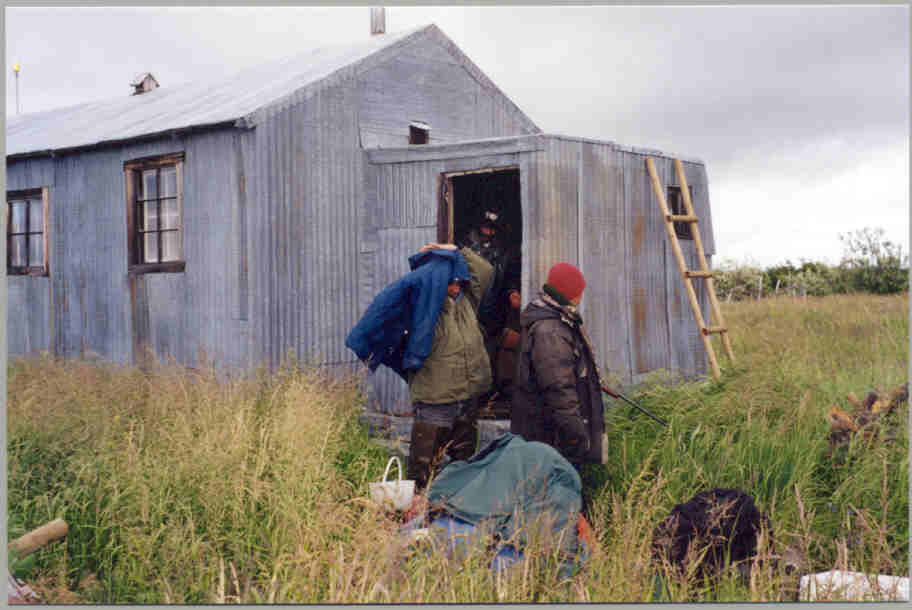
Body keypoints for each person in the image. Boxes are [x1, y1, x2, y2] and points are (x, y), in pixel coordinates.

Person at [406, 242, 494, 488]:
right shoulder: (424, 307)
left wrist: (454, 250)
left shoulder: (467, 302)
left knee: (462, 469)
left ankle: (452, 516)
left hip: (465, 399)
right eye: (449, 281)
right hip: (435, 402)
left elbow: (485, 271)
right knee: (422, 471)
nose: (455, 287)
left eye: (458, 281)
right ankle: (415, 518)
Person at [511, 262, 605, 474]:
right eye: (578, 293)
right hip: (550, 432)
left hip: (549, 429)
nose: (580, 298)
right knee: (556, 484)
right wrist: (577, 434)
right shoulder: (551, 331)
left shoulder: (554, 319)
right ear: (569, 293)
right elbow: (558, 389)